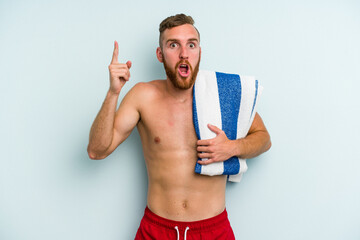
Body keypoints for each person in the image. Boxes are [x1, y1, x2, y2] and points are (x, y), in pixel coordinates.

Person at [87, 13, 271, 240]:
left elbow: (264, 139)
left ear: (199, 52)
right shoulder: (143, 96)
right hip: (156, 229)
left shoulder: (221, 93)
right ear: (160, 54)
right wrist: (113, 93)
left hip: (213, 230)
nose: (184, 53)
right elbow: (97, 150)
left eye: (191, 45)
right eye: (173, 45)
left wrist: (232, 148)